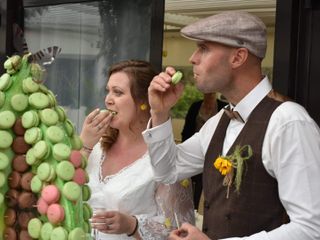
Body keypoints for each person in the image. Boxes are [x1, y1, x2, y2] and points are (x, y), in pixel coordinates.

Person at [142, 11, 320, 240]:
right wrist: (160, 112)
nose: (192, 58)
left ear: (238, 58)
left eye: (204, 48)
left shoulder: (288, 122)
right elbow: (167, 171)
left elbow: (312, 227)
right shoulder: (218, 121)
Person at [79, 60, 194, 240]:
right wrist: (83, 147)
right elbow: (58, 194)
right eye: (108, 91)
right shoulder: (95, 145)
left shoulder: (165, 158)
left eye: (117, 92)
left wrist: (132, 225)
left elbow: (179, 229)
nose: (108, 99)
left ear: (144, 102)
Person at [181, 92, 227, 211]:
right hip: (196, 149)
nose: (209, 94)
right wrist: (186, 148)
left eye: (212, 93)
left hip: (216, 155)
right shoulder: (195, 106)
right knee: (193, 183)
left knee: (211, 183)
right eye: (207, 93)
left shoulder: (223, 107)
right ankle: (193, 209)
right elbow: (186, 131)